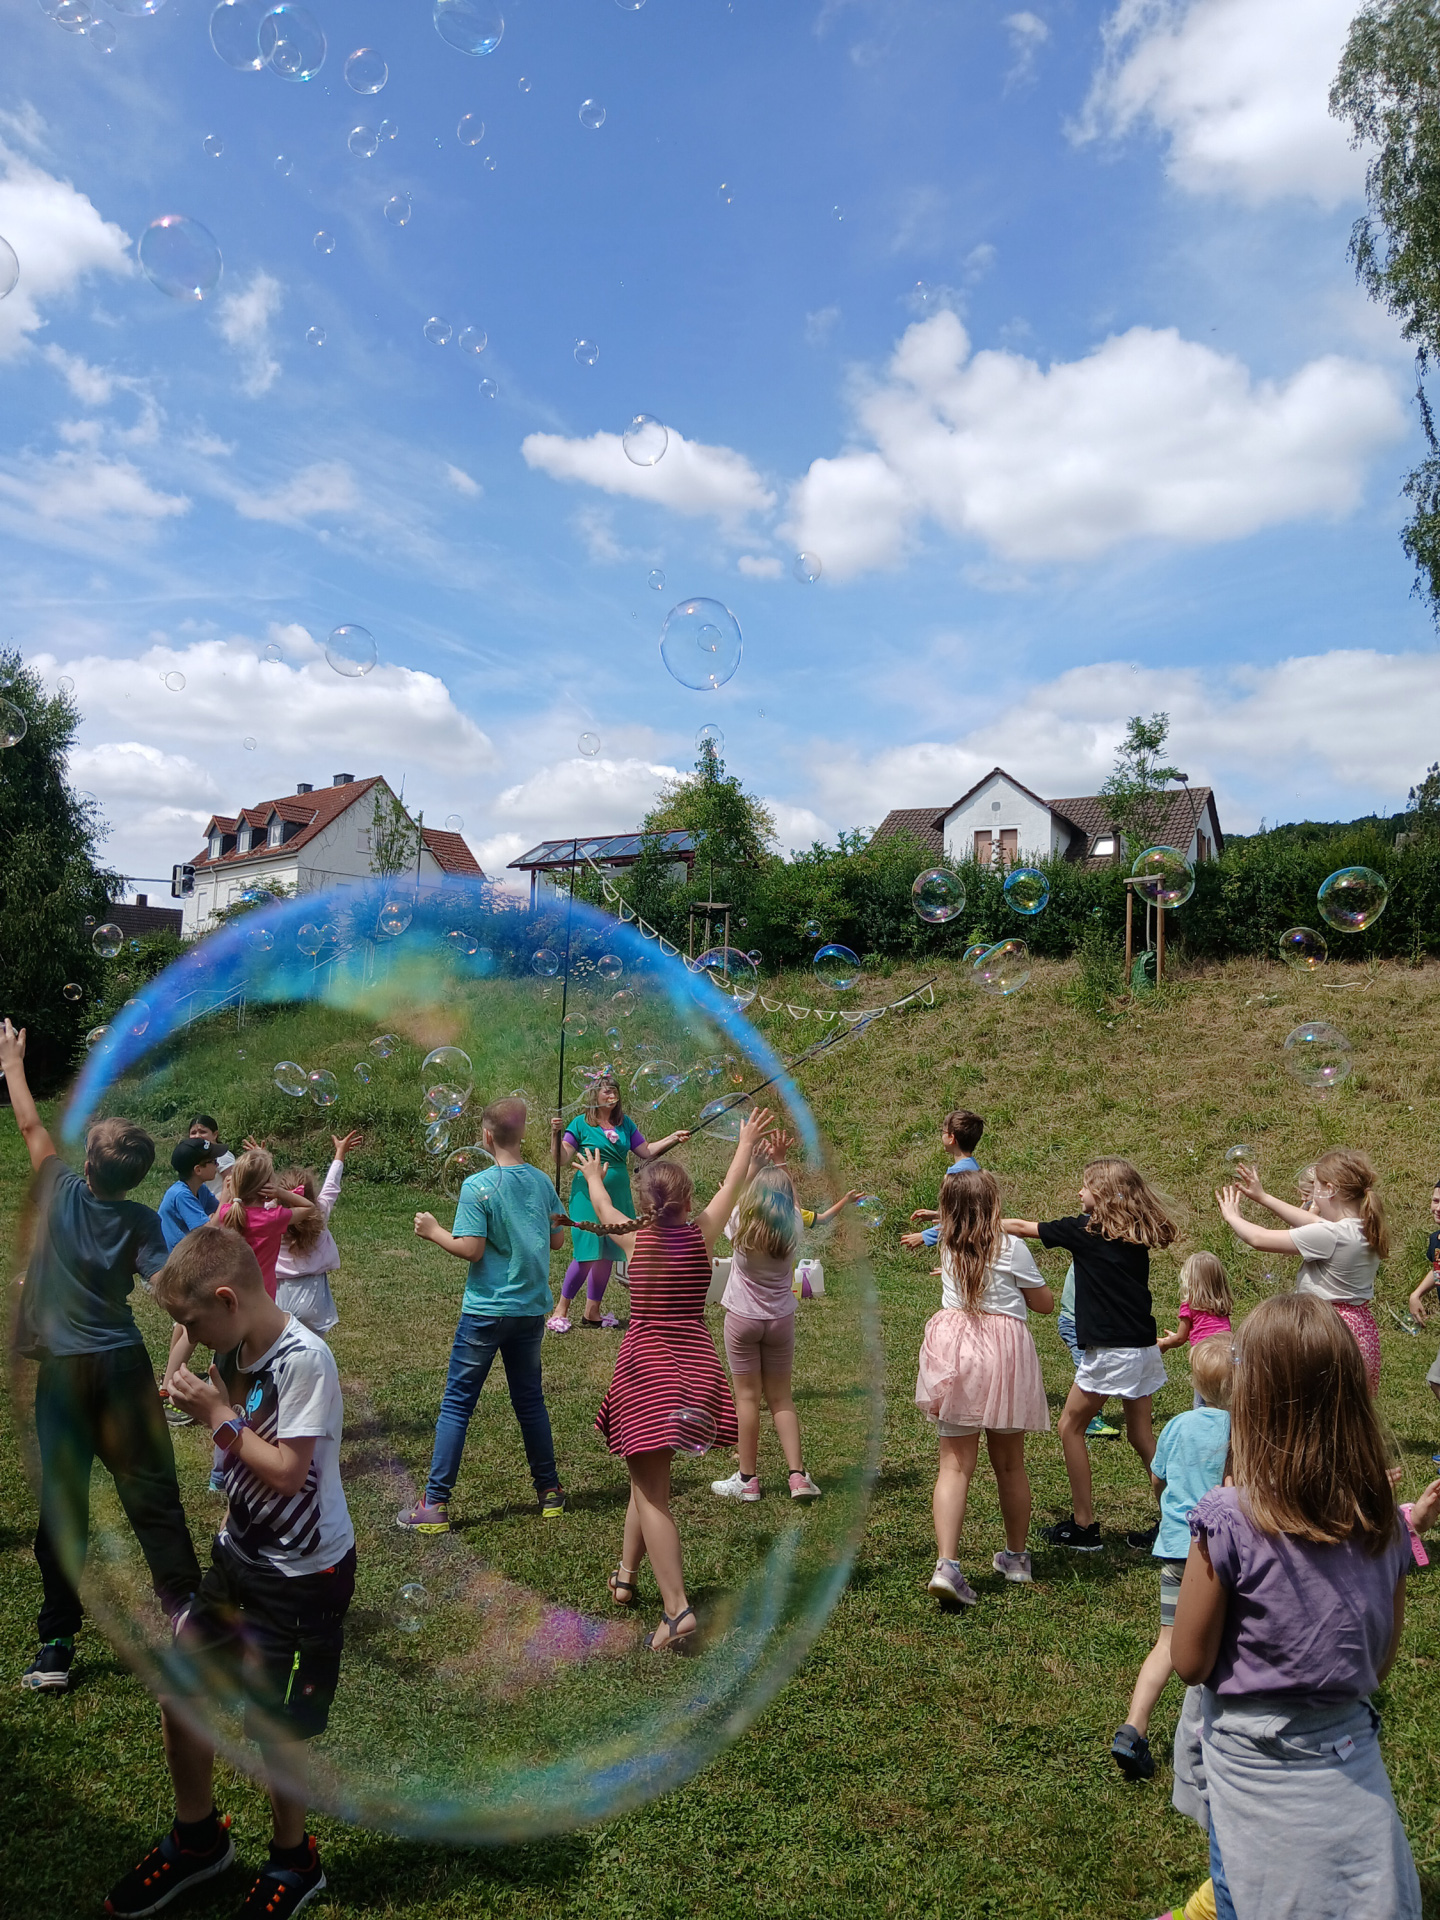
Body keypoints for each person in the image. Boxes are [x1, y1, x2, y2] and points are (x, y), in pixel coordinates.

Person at [105, 1224, 356, 1920]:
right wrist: (214, 1406)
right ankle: (198, 1841)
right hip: (237, 1555)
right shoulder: (237, 1347)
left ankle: (294, 1860)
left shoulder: (305, 1359)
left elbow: (288, 1471)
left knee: (275, 1726)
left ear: (227, 1298)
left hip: (302, 1574)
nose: (187, 1338)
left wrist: (217, 1416)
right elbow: (240, 1450)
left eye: (190, 1323)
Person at [1170, 1294, 1419, 1920]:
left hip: (1250, 1776)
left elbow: (1190, 1661)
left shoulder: (1227, 1518)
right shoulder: (1384, 1521)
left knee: (1243, 1892)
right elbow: (1379, 1662)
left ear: (1251, 1398)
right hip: (1351, 1764)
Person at [1, 1018, 202, 1696]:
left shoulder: (59, 1191)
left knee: (64, 1506)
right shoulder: (143, 1220)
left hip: (64, 1375)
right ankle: (187, 1615)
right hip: (123, 1368)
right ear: (136, 1176)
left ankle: (56, 1644)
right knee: (152, 1493)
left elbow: (30, 1126)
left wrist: (13, 1064)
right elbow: (169, 1291)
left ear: (86, 1166)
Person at [583, 1106, 773, 1652]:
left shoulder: (633, 1239)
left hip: (646, 1372)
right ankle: (626, 1576)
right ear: (689, 1202)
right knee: (647, 1480)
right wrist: (745, 1144)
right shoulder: (702, 1235)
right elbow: (732, 1186)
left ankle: (677, 1610)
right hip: (695, 1372)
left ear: (644, 1206)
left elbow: (601, 1205)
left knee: (652, 1494)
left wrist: (595, 1175)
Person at [398, 1097, 567, 1532]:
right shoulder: (542, 1181)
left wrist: (434, 1231)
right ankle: (549, 1491)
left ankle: (435, 1504)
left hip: (485, 1313)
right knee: (530, 1402)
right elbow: (557, 1242)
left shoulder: (477, 1186)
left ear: (487, 1137)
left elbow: (471, 1249)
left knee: (458, 1404)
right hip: (529, 1311)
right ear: (522, 1134)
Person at [1004, 1157, 1177, 1550]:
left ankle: (1083, 1526)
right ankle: (1175, 1520)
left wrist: (974, 1221)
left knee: (1070, 1427)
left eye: (1084, 1186)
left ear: (1100, 1194)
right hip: (1143, 1349)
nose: (1079, 1192)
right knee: (1141, 1435)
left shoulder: (1084, 1230)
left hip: (1112, 1352)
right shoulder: (1136, 1232)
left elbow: (1020, 1227)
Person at [916, 1168, 1053, 1605]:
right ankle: (1016, 1557)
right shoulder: (1011, 1247)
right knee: (1010, 1465)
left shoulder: (948, 1245)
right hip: (1005, 1356)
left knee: (954, 1467)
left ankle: (948, 1565)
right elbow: (1044, 1305)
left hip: (957, 1353)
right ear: (993, 1204)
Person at [1111, 1336, 1234, 1782]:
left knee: (1167, 1643)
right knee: (1221, 1645)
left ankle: (1133, 1727)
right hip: (1217, 1553)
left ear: (1195, 1383)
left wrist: (1166, 1503)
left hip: (1173, 1550)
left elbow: (1158, 1479)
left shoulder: (1178, 1425)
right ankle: (1214, 1737)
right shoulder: (1239, 1431)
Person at [710, 1147, 858, 1502]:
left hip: (742, 1319)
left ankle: (747, 1480)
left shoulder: (741, 1219)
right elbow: (792, 1203)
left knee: (747, 1398)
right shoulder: (792, 1223)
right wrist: (780, 1163)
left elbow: (734, 1196)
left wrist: (753, 1167)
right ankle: (798, 1477)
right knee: (782, 1398)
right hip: (780, 1321)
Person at [1217, 1148, 1387, 1393]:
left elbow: (1258, 1238)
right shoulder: (1362, 1228)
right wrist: (1262, 1197)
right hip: (1358, 1327)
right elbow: (1312, 1221)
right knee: (1347, 1403)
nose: (1313, 1196)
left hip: (1325, 1329)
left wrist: (1232, 1216)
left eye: (1316, 1187)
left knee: (1317, 1399)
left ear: (1330, 1190)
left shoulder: (1332, 1235)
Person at [547, 1073, 690, 1331]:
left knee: (608, 1253)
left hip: (618, 1194)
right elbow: (562, 1158)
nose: (612, 1094)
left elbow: (646, 1150)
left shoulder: (625, 1124)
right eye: (607, 1090)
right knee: (587, 1252)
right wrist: (555, 1135)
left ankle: (592, 1311)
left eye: (615, 1090)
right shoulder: (580, 1124)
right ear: (594, 1095)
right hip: (587, 1193)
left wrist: (673, 1137)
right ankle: (561, 1309)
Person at [274, 1129, 363, 1336]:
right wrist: (340, 1153)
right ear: (310, 1195)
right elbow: (331, 1186)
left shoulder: (271, 1219)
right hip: (313, 1297)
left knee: (279, 1346)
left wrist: (260, 1162)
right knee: (312, 1347)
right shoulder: (319, 1212)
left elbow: (259, 1195)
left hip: (279, 1294)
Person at [900, 1108, 984, 1251]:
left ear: (951, 1138)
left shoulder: (956, 1175)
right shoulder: (973, 1166)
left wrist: (924, 1236)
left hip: (965, 1247)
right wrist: (938, 1214)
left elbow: (962, 1222)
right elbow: (968, 1212)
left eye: (943, 1132)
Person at [1056, 1261, 1121, 1441]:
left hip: (1088, 1323)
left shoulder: (1101, 1253)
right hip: (1077, 1324)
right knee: (1091, 1370)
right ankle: (1088, 1419)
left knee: (1101, 1367)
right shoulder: (1093, 1255)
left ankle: (1135, 1411)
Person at [1158, 1252, 1234, 1402]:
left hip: (1204, 1356)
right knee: (1226, 1397)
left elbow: (1180, 1338)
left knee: (1202, 1398)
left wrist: (1165, 1343)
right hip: (1227, 1352)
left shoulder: (1190, 1305)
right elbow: (1209, 1330)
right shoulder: (1221, 1303)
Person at [1406, 1179, 1440, 1400]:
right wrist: (1416, 1294)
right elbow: (1438, 1269)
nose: (1438, 1208)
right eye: (1435, 1201)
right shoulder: (1436, 1240)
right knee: (1436, 1380)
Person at [158, 1137, 221, 1251]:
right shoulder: (181, 1195)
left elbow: (220, 1213)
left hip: (188, 1253)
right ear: (198, 1170)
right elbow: (208, 1233)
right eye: (213, 1161)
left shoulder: (200, 1188)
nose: (217, 1165)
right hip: (174, 1259)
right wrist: (226, 1196)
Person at [188, 1112, 235, 1202]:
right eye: (193, 1133)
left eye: (203, 1132)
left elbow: (233, 1184)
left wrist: (217, 1204)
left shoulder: (223, 1156)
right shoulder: (193, 1156)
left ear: (215, 1135)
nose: (197, 1136)